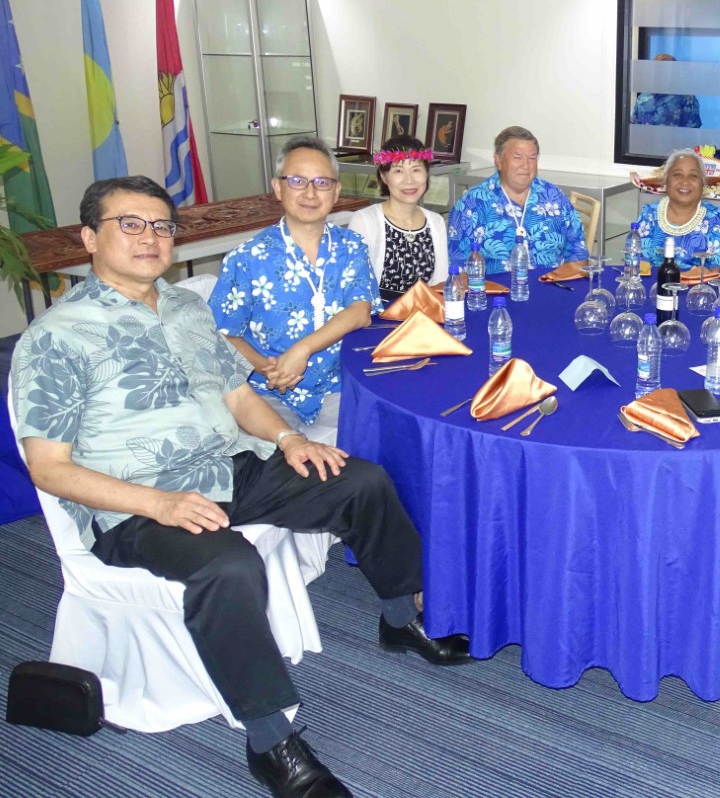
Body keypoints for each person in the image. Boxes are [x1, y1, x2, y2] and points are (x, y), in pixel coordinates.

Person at [11, 175, 473, 798]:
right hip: (135, 504)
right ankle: (269, 742)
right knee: (228, 564)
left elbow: (238, 396)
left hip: (229, 467)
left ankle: (400, 617)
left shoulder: (185, 309)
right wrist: (160, 503)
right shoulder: (56, 337)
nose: (151, 238)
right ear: (90, 237)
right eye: (131, 224)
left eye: (161, 226)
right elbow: (49, 469)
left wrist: (289, 440)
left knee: (359, 479)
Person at [209, 135, 379, 443]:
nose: (310, 193)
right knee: (282, 472)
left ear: (337, 191)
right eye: (298, 181)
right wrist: (272, 369)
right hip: (267, 388)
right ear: (278, 187)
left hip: (337, 384)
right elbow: (222, 334)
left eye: (322, 183)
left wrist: (301, 350)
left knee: (374, 452)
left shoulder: (351, 246)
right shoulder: (247, 257)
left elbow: (360, 312)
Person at [447, 125, 589, 272]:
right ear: (498, 160)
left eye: (532, 158)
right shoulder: (472, 205)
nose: (526, 165)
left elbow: (579, 260)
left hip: (553, 288)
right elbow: (457, 270)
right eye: (517, 158)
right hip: (494, 292)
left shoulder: (555, 198)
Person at [347, 135, 449, 301]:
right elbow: (355, 290)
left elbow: (440, 283)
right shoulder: (365, 221)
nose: (409, 180)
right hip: (377, 318)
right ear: (384, 176)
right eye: (398, 171)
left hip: (423, 315)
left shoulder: (435, 221)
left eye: (416, 170)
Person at [636, 148, 720, 269]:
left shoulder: (716, 218)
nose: (685, 182)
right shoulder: (649, 215)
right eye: (677, 175)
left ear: (703, 184)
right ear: (666, 181)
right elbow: (634, 263)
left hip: (699, 287)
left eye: (693, 176)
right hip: (653, 286)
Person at [631, 54, 702, 128]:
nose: (660, 74)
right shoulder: (643, 98)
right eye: (657, 70)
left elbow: (692, 132)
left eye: (665, 71)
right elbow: (634, 127)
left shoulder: (687, 99)